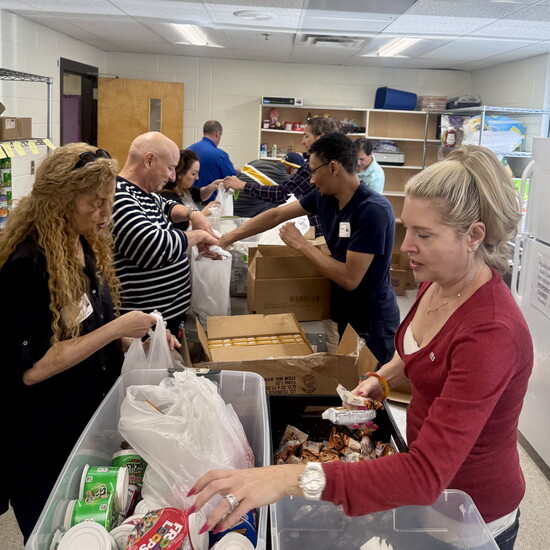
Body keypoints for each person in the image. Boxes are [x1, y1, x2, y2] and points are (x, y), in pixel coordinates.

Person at [190, 145, 533, 550]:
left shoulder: (490, 332)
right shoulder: (440, 280)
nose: (406, 246)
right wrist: (381, 378)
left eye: (424, 235)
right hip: (426, 497)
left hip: (468, 514)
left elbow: (425, 476)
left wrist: (289, 479)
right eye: (408, 229)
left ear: (474, 235)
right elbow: (416, 351)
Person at [0, 143, 178, 541]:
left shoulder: (82, 246)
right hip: (42, 437)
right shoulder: (27, 266)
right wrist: (116, 330)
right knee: (54, 534)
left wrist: (138, 337)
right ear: (62, 201)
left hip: (84, 421)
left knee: (91, 529)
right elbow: (33, 370)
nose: (106, 214)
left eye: (109, 201)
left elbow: (90, 327)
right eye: (95, 203)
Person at [220, 132, 400, 366]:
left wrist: (301, 244)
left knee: (369, 392)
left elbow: (350, 278)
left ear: (333, 168)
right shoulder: (325, 198)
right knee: (349, 384)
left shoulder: (371, 210)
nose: (312, 180)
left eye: (315, 171)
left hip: (372, 320)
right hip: (345, 312)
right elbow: (276, 214)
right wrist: (226, 239)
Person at [113, 132, 219, 335]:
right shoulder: (119, 197)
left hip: (168, 317)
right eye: (170, 168)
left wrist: (193, 214)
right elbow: (153, 248)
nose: (172, 177)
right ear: (149, 160)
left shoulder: (144, 193)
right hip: (144, 326)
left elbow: (167, 205)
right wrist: (200, 236)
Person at [223, 117, 340, 236]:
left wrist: (244, 186)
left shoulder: (315, 167)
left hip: (322, 235)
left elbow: (282, 194)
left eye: (306, 136)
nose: (303, 141)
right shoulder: (335, 164)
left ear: (320, 137)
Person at [159, 149, 220, 231]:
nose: (197, 178)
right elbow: (182, 226)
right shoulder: (167, 196)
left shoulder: (184, 189)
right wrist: (204, 213)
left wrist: (213, 186)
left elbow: (199, 194)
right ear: (180, 174)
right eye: (193, 174)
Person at [232, 152, 305, 218]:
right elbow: (300, 202)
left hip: (230, 208)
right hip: (245, 215)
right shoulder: (285, 178)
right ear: (293, 170)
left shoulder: (255, 162)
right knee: (281, 198)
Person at [188, 120, 237, 202]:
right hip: (210, 205)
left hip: (188, 203)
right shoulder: (220, 155)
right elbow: (232, 179)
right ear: (217, 133)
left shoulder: (188, 151)